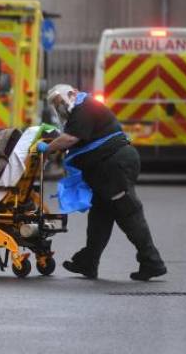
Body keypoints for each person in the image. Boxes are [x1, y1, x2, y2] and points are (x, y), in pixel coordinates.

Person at [38, 84, 167, 281]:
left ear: (71, 94)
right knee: (100, 217)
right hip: (105, 169)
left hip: (113, 166)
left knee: (128, 213)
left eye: (60, 102)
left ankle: (152, 262)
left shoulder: (84, 107)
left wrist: (47, 148)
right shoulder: (80, 110)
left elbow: (70, 138)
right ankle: (88, 262)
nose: (60, 107)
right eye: (56, 105)